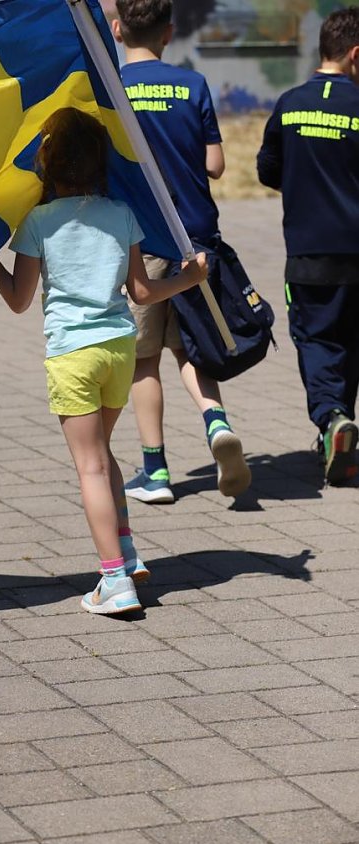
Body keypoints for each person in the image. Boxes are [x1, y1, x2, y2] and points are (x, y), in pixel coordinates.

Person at [0, 107, 207, 615]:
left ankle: (114, 581)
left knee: (90, 467)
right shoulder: (121, 213)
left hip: (73, 355)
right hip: (119, 350)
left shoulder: (39, 221)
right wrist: (189, 279)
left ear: (46, 163)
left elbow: (19, 300)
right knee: (102, 455)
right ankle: (126, 553)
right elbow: (142, 291)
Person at [112, 0, 251, 503]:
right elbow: (215, 165)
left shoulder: (109, 88)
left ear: (117, 29)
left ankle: (155, 473)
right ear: (169, 33)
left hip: (141, 239)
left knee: (143, 359)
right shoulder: (193, 84)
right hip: (196, 238)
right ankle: (216, 423)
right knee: (190, 346)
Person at [257, 6, 359, 485]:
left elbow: (267, 170)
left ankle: (331, 418)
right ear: (356, 54)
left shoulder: (289, 103)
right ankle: (338, 432)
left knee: (317, 340)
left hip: (308, 254)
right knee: (350, 342)